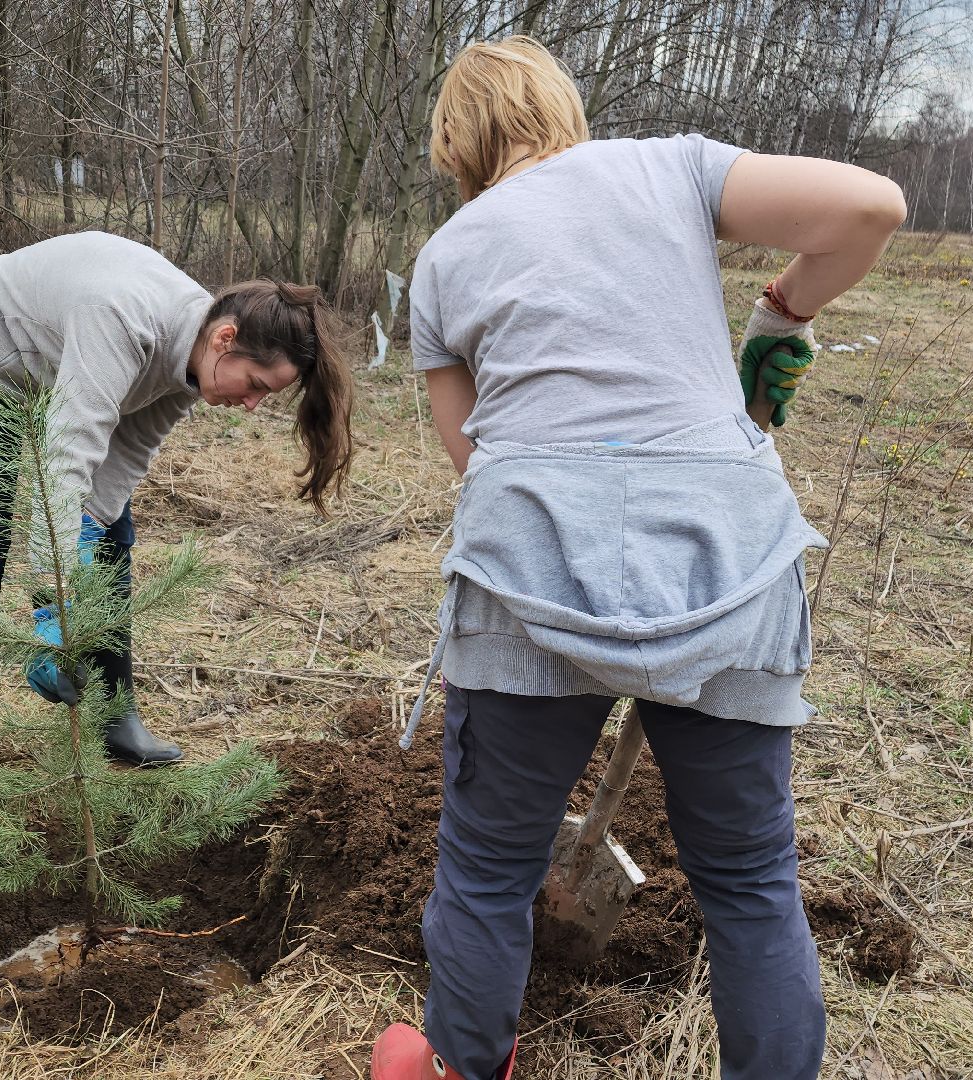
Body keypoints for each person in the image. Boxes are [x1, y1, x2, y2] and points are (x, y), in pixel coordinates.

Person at [369, 37, 906, 1080]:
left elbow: (471, 456)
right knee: (749, 882)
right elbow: (869, 207)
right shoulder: (670, 169)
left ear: (456, 145)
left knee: (487, 871)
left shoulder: (446, 256)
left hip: (532, 570)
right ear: (563, 109)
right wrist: (785, 311)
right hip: (727, 559)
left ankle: (458, 1067)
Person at [0, 230, 352, 798]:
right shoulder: (121, 323)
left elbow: (125, 457)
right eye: (256, 385)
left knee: (111, 534)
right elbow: (67, 463)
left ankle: (115, 717)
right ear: (226, 338)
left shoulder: (197, 362)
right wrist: (55, 606)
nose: (251, 404)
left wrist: (87, 538)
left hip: (66, 361)